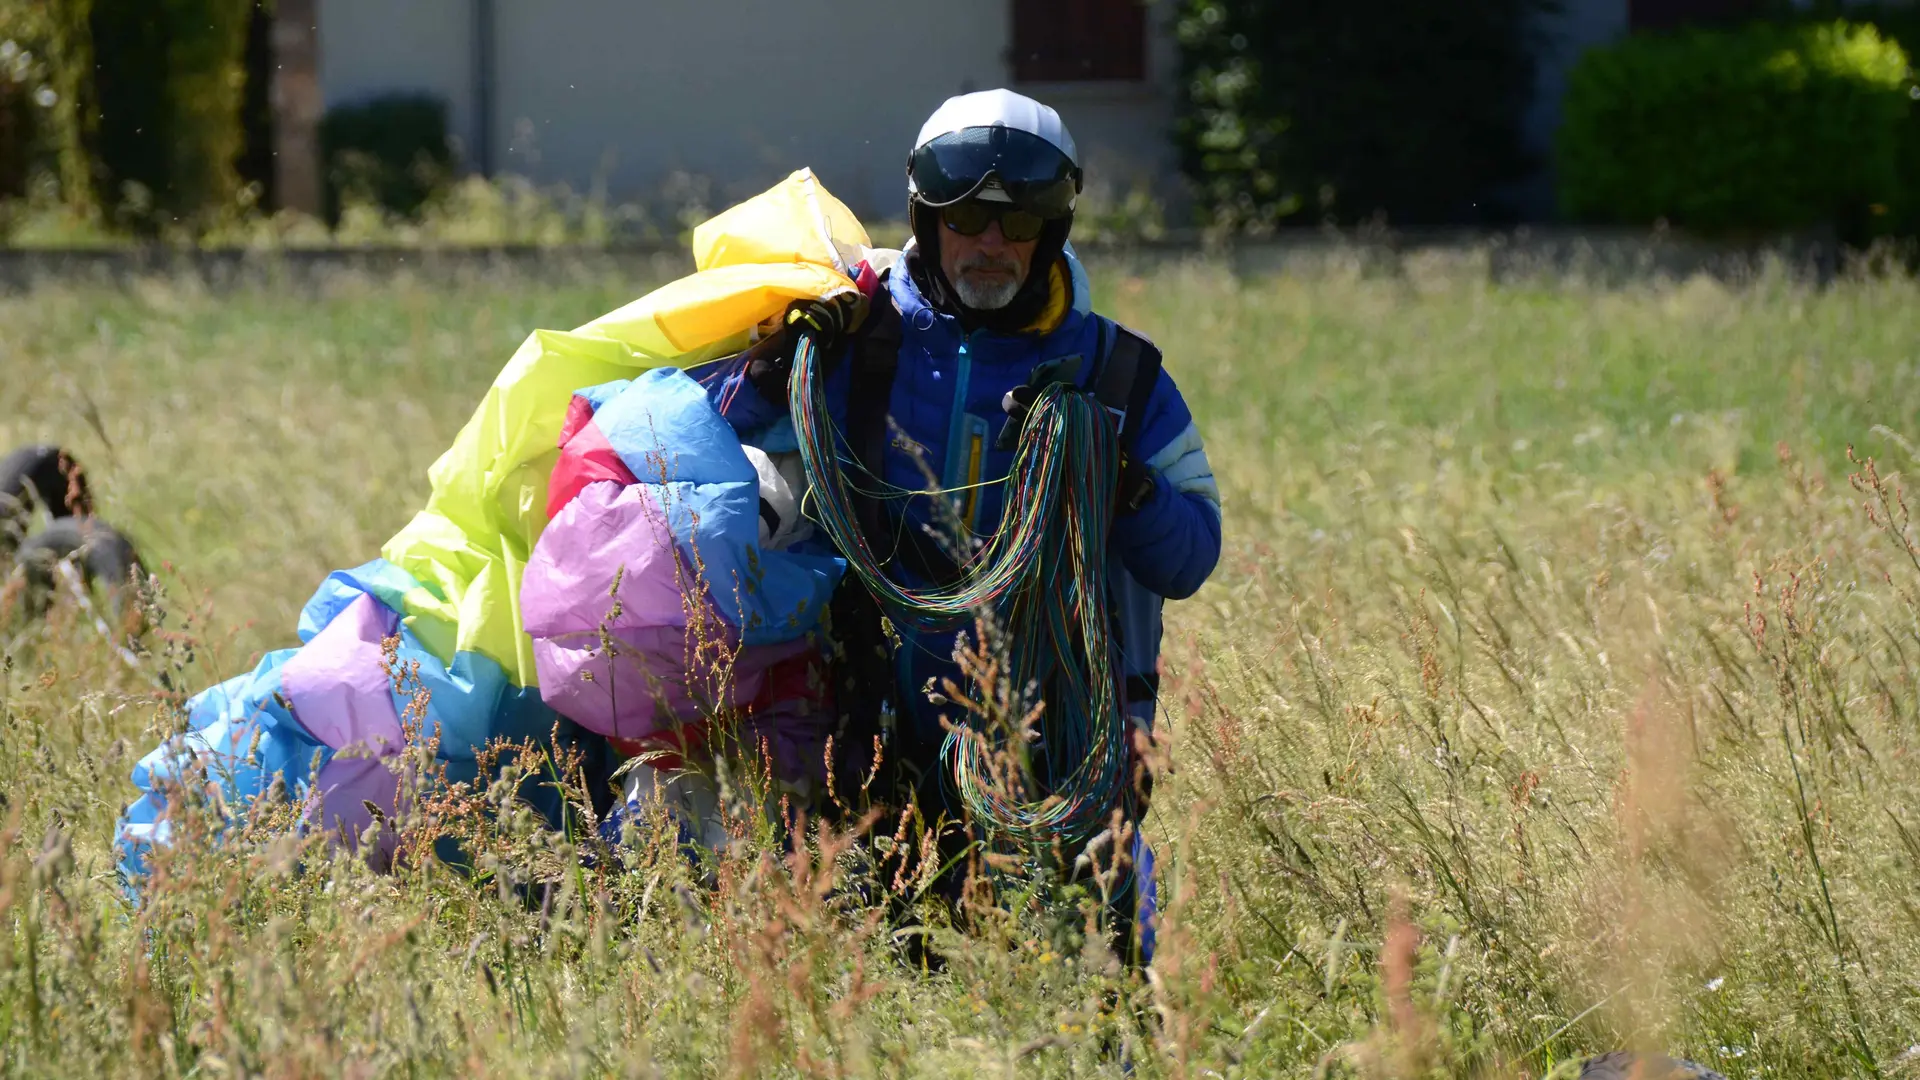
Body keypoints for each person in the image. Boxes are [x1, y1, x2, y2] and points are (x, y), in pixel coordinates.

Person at [700, 89, 1221, 962]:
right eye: (968, 218)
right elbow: (696, 453)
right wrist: (766, 369)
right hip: (861, 718)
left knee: (1087, 982)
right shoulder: (851, 336)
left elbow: (1191, 556)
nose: (990, 245)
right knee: (878, 969)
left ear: (1051, 234)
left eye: (1016, 226)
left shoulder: (1118, 378)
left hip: (1054, 735)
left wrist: (1115, 480)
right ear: (927, 219)